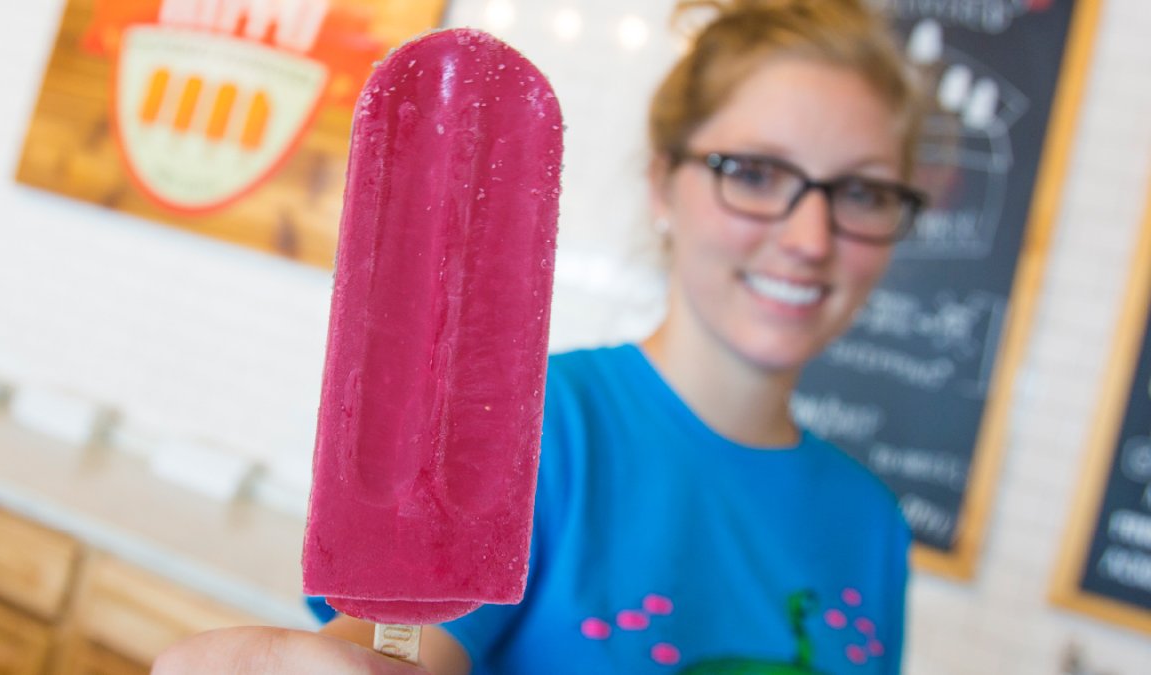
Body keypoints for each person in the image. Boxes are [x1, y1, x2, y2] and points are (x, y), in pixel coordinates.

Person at [154, 0, 928, 672]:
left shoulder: (874, 524)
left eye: (860, 191)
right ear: (663, 185)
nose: (810, 236)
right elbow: (401, 645)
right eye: (757, 173)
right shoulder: (538, 430)